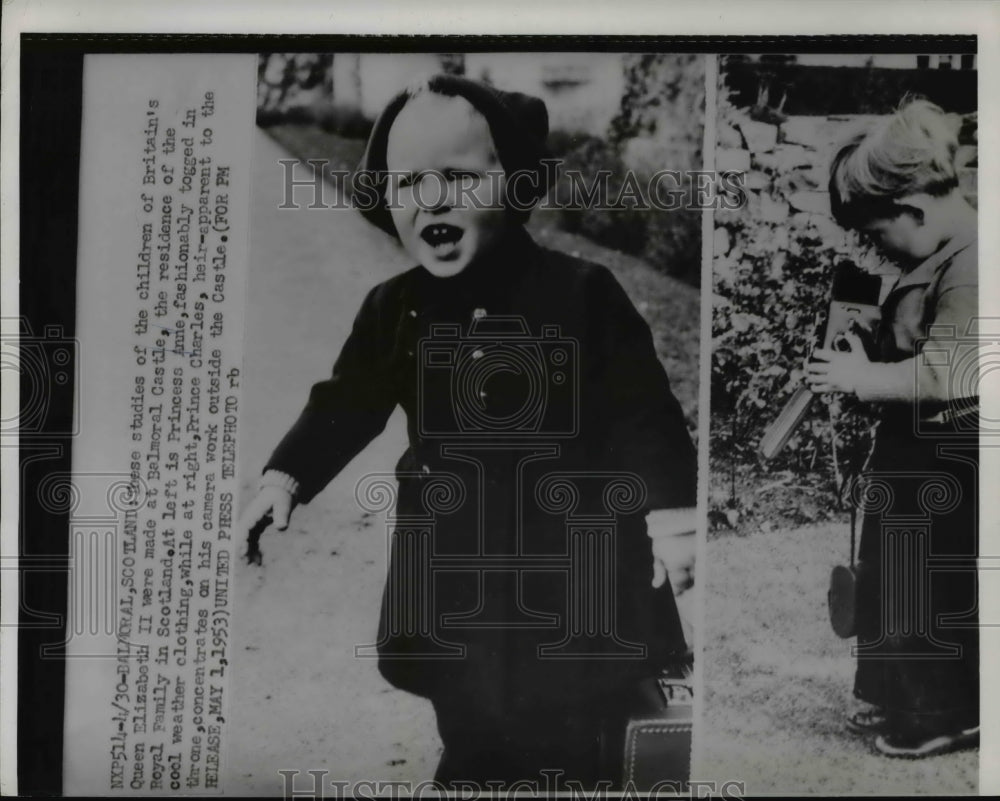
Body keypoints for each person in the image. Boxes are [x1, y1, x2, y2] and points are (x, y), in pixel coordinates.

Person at [240, 74, 698, 788]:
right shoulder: (395, 309)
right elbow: (349, 399)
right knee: (466, 692)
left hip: (567, 553)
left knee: (573, 702)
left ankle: (570, 770)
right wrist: (286, 476)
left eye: (456, 176)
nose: (431, 199)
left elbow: (641, 408)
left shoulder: (580, 295)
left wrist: (669, 515)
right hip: (453, 554)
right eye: (407, 183)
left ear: (514, 185)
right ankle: (476, 766)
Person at [808, 98, 978, 758]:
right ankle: (898, 692)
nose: (878, 249)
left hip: (953, 456)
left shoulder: (973, 264)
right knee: (888, 571)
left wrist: (864, 379)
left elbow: (950, 374)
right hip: (914, 449)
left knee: (927, 582)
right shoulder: (935, 252)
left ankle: (947, 710)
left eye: (879, 235)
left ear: (914, 210)